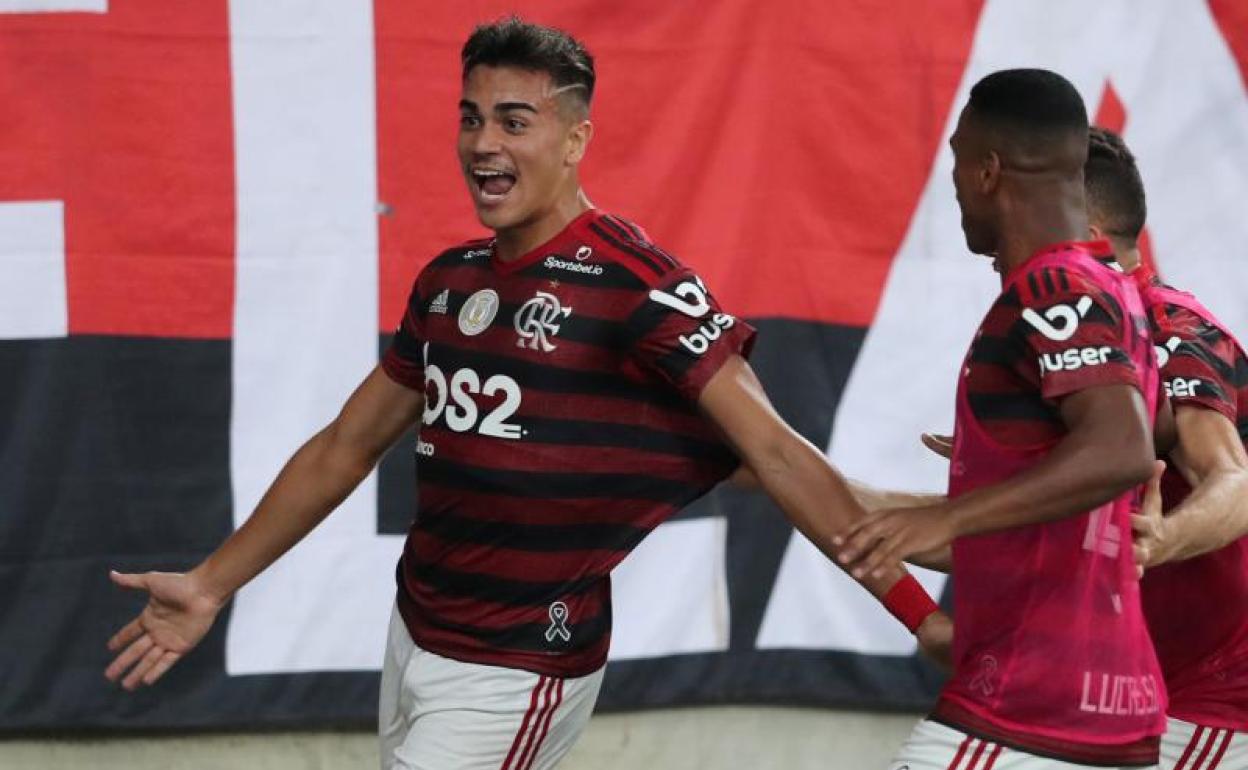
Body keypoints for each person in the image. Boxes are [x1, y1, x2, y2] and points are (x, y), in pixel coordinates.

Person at [103, 18, 949, 770]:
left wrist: (918, 616)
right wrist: (211, 584)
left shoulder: (640, 286)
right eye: (471, 117)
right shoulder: (449, 281)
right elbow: (345, 446)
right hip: (416, 635)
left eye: (515, 121)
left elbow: (774, 452)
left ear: (576, 139)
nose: (483, 143)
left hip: (516, 669)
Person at [835, 69, 1167, 767]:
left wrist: (949, 515)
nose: (951, 183)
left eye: (956, 158)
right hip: (1117, 712)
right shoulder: (1117, 289)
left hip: (1024, 714)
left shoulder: (1052, 286)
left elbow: (1124, 449)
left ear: (987, 170)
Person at [1085, 126, 1248, 769]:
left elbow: (1234, 482)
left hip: (1214, 706)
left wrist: (1157, 541)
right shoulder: (1082, 341)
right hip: (1135, 692)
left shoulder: (1172, 329)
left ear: (1085, 223)